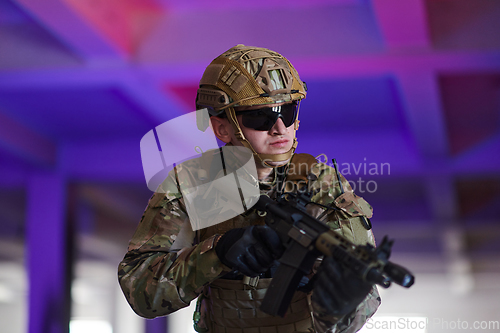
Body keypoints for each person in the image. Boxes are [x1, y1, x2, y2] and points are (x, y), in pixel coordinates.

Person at [118, 44, 381, 333]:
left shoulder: (324, 186)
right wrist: (218, 253)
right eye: (261, 118)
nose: (279, 128)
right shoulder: (193, 184)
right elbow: (139, 291)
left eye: (288, 111)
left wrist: (337, 295)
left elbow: (361, 308)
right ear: (222, 129)